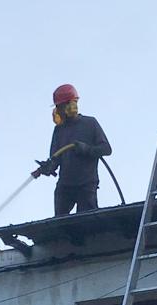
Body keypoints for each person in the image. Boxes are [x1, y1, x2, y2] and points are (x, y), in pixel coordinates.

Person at [38, 84, 112, 216]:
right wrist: (48, 167)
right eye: (57, 107)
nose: (58, 110)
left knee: (87, 222)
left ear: (71, 105)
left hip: (86, 184)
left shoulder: (90, 124)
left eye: (60, 106)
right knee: (60, 223)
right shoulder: (59, 130)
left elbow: (106, 149)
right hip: (65, 185)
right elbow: (55, 158)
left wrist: (87, 149)